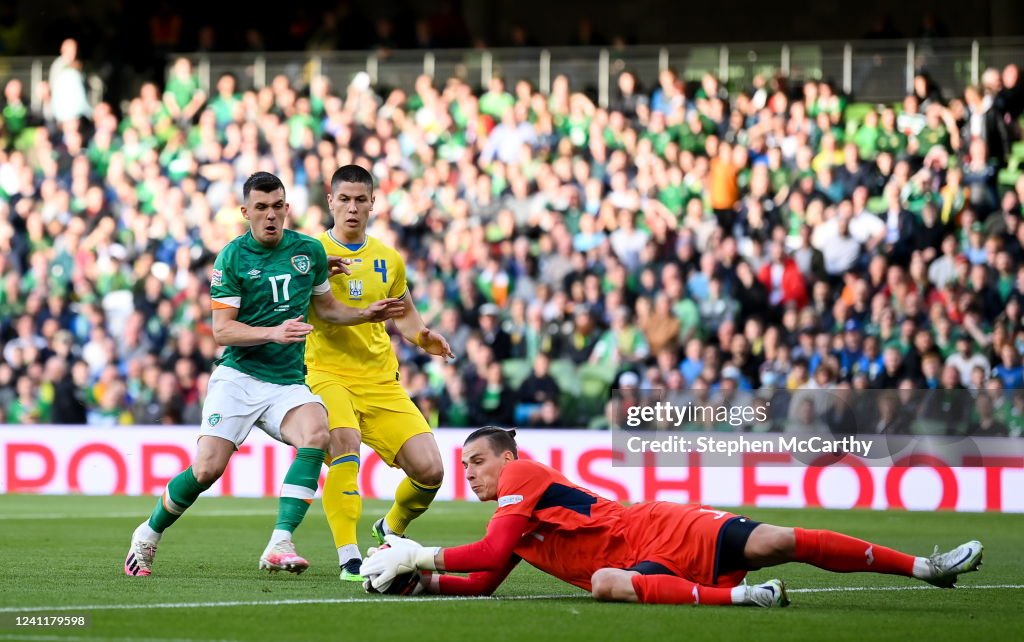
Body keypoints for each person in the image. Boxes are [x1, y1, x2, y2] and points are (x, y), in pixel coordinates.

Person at [124, 172, 405, 577]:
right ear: (245, 212)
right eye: (261, 207)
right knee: (206, 470)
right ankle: (148, 534)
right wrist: (274, 332)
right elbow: (223, 331)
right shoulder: (232, 258)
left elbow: (325, 309)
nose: (270, 215)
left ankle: (280, 541)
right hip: (239, 378)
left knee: (317, 431)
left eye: (277, 206)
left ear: (287, 208)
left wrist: (364, 314)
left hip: (287, 381)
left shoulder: (307, 251)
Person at [362, 427, 984, 607]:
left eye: (477, 461)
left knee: (780, 539)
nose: (468, 471)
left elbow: (491, 556)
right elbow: (488, 579)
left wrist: (418, 554)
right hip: (637, 563)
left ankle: (927, 568)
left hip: (657, 527)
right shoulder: (513, 521)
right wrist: (423, 584)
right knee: (609, 583)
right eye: (463, 464)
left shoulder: (522, 478)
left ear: (507, 458)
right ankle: (747, 600)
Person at [305, 165, 455, 582]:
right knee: (344, 444)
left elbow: (404, 316)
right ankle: (350, 556)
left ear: (373, 203)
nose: (352, 208)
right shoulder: (311, 253)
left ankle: (390, 529)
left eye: (361, 199)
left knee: (430, 471)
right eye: (345, 199)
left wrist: (425, 338)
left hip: (380, 380)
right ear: (330, 201)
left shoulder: (388, 259)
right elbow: (317, 310)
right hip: (327, 374)